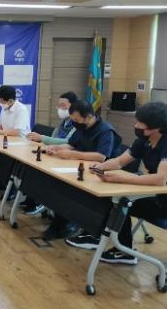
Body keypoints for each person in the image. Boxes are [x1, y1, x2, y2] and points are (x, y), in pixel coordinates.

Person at [66, 102, 167, 264]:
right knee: (111, 201)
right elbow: (119, 162)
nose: (136, 125)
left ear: (156, 127)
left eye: (140, 123)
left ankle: (123, 251)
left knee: (120, 204)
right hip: (159, 194)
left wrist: (122, 178)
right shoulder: (144, 140)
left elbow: (160, 179)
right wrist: (100, 167)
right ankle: (100, 238)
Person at [42, 100, 122, 240]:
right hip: (79, 168)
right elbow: (71, 145)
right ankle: (61, 221)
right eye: (72, 119)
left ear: (89, 117)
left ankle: (66, 223)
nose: (74, 122)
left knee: (68, 189)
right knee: (56, 183)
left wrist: (72, 154)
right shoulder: (81, 127)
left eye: (76, 119)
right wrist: (56, 148)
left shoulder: (106, 131)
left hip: (99, 174)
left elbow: (101, 157)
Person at [23, 91, 78, 214]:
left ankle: (41, 202)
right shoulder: (64, 122)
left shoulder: (77, 122)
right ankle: (31, 198)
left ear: (73, 106)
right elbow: (54, 136)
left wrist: (42, 138)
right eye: (59, 105)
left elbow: (68, 142)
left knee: (42, 175)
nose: (60, 108)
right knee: (32, 168)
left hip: (66, 159)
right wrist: (45, 143)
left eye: (63, 105)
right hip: (55, 155)